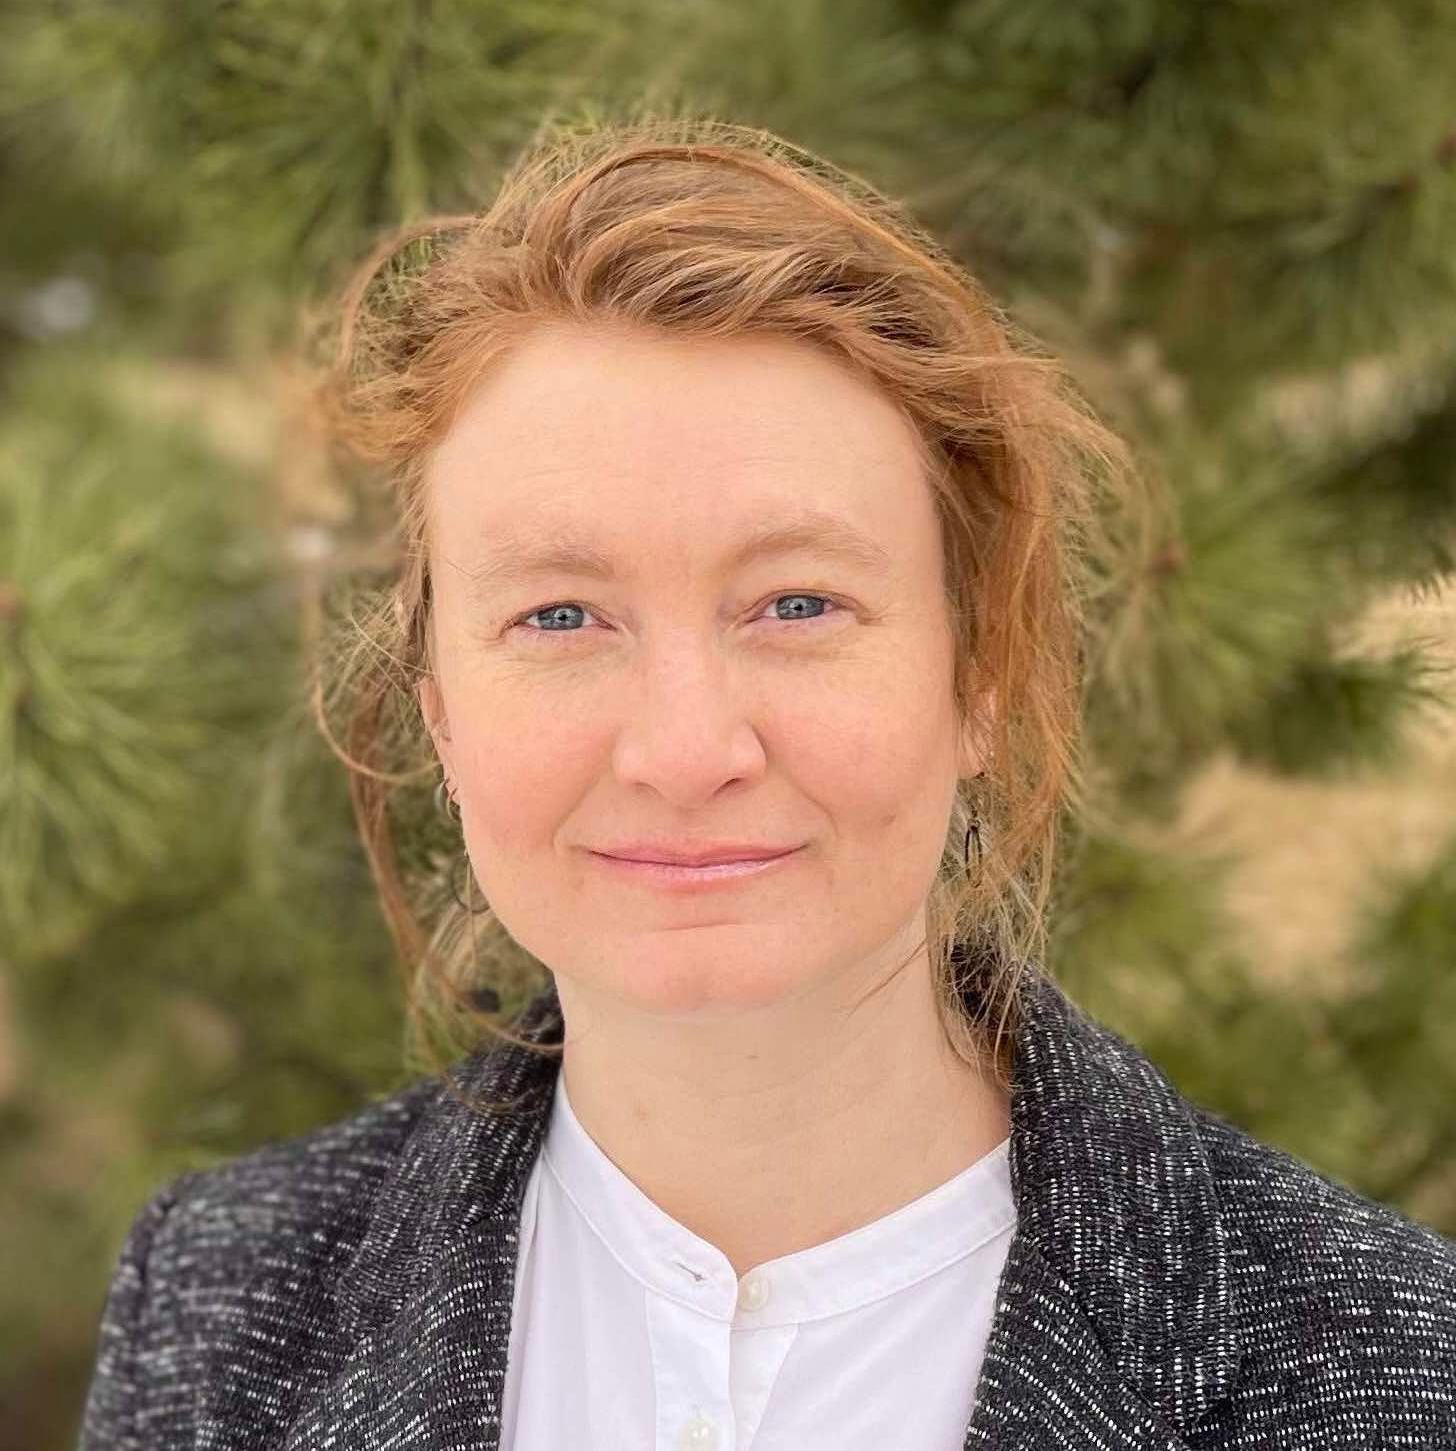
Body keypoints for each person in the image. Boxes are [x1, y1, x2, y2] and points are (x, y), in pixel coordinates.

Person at [77, 116, 1456, 1451]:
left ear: (980, 673)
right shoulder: (218, 1313)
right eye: (560, 617)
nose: (684, 752)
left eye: (796, 604)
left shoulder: (1389, 1362)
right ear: (438, 708)